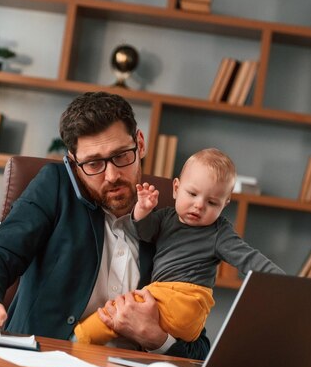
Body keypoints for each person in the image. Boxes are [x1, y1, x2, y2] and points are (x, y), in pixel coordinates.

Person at [0, 91, 209, 359]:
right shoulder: (55, 187)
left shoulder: (173, 223)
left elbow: (199, 348)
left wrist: (156, 338)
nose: (112, 175)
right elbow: (1, 252)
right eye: (93, 163)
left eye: (121, 156)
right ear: (74, 162)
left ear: (140, 143)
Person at [74, 148, 284, 345]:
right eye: (192, 194)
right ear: (176, 188)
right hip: (173, 306)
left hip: (184, 300)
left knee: (119, 309)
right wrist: (142, 210)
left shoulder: (219, 231)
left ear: (225, 204)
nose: (199, 205)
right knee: (126, 320)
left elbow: (249, 259)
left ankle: (78, 339)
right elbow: (143, 232)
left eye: (212, 203)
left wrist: (284, 283)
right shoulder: (166, 217)